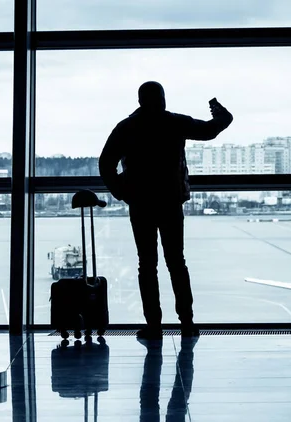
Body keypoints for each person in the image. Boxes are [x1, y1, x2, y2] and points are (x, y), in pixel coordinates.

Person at [99, 81, 233, 339]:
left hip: (140, 204)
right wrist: (220, 112)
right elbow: (210, 130)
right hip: (170, 203)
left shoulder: (126, 128)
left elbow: (106, 163)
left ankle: (154, 326)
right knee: (177, 263)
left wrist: (123, 191)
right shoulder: (174, 123)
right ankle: (186, 323)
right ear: (162, 99)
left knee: (147, 266)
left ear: (140, 101)